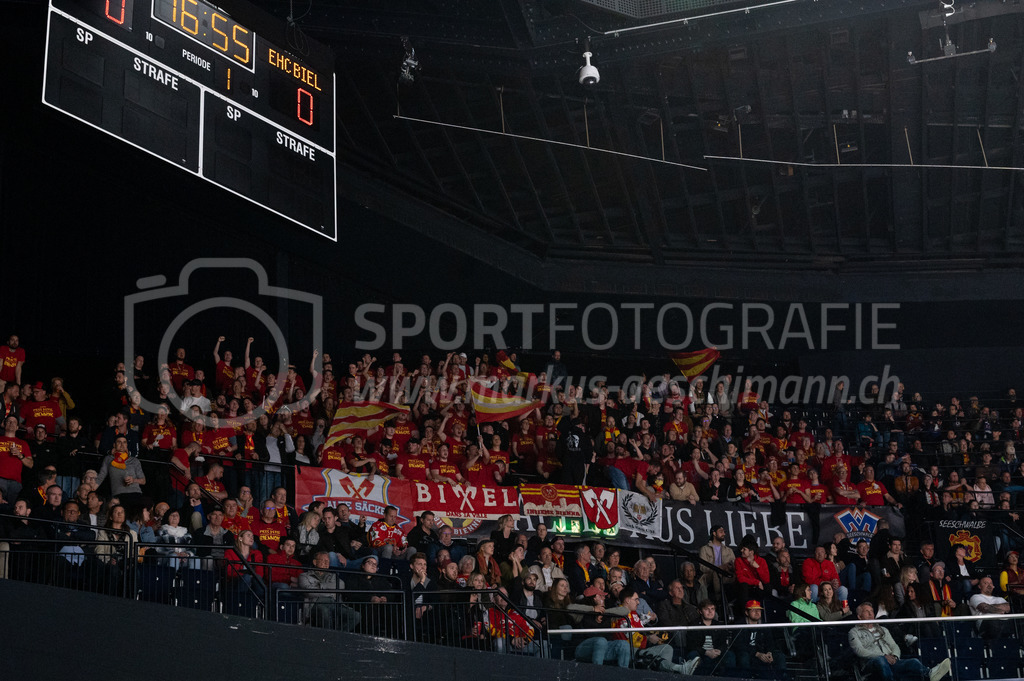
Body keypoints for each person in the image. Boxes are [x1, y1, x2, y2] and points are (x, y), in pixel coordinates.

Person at [848, 602, 950, 681]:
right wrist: (884, 656)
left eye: (872, 611)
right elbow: (860, 651)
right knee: (881, 661)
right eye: (866, 611)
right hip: (870, 663)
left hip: (891, 661)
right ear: (859, 616)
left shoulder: (883, 629)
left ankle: (930, 673)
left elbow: (894, 645)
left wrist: (895, 657)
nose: (871, 614)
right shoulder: (854, 632)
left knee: (913, 661)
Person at [613, 586, 697, 674]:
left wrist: (648, 627)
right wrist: (648, 639)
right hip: (631, 650)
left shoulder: (633, 613)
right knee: (651, 656)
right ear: (627, 600)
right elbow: (632, 639)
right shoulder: (620, 616)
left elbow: (640, 630)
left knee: (667, 648)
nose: (638, 602)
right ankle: (680, 668)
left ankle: (663, 675)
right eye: (636, 599)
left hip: (641, 646)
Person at [299, 550, 361, 631]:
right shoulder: (304, 576)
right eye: (323, 560)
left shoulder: (333, 575)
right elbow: (309, 593)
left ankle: (337, 635)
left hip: (334, 604)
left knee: (355, 615)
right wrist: (331, 592)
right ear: (315, 562)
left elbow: (341, 585)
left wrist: (320, 586)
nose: (326, 563)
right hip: (314, 605)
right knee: (324, 610)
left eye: (327, 561)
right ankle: (329, 636)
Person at [734, 600, 787, 679]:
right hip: (748, 654)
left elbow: (770, 642)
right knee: (744, 657)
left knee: (780, 656)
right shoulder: (739, 625)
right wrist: (757, 654)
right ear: (746, 612)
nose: (757, 612)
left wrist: (769, 653)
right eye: (753, 610)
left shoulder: (764, 625)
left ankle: (782, 678)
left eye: (759, 610)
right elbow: (739, 645)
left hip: (763, 654)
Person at [683, 599, 730, 675]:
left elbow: (724, 643)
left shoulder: (718, 625)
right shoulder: (693, 625)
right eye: (706, 609)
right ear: (700, 611)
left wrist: (719, 651)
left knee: (730, 655)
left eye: (712, 609)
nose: (710, 611)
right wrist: (706, 652)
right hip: (701, 653)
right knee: (693, 655)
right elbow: (691, 645)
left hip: (716, 653)